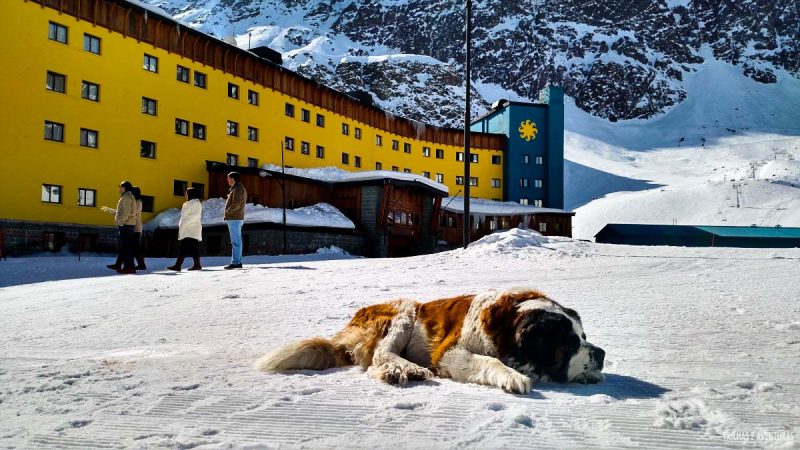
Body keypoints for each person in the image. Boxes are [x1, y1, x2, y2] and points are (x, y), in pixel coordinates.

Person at [102, 181, 137, 274]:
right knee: (125, 247)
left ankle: (129, 267)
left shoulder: (126, 197)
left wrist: (121, 223)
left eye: (120, 186)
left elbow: (126, 212)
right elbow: (121, 212)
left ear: (124, 187)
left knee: (126, 248)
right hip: (127, 224)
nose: (118, 188)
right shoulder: (127, 196)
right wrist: (110, 210)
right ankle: (125, 266)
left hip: (126, 225)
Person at [167, 187, 203, 271]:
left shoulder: (196, 203)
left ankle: (178, 265)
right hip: (187, 228)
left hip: (191, 228)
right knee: (192, 247)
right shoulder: (189, 203)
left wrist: (185, 223)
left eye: (186, 193)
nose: (185, 195)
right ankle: (195, 265)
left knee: (186, 247)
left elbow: (194, 216)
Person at [224, 171, 246, 269]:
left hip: (234, 218)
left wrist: (227, 212)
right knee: (236, 241)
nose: (227, 180)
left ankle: (236, 262)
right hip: (236, 217)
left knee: (236, 241)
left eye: (228, 178)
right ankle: (237, 261)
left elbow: (236, 204)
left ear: (233, 179)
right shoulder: (237, 188)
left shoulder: (238, 188)